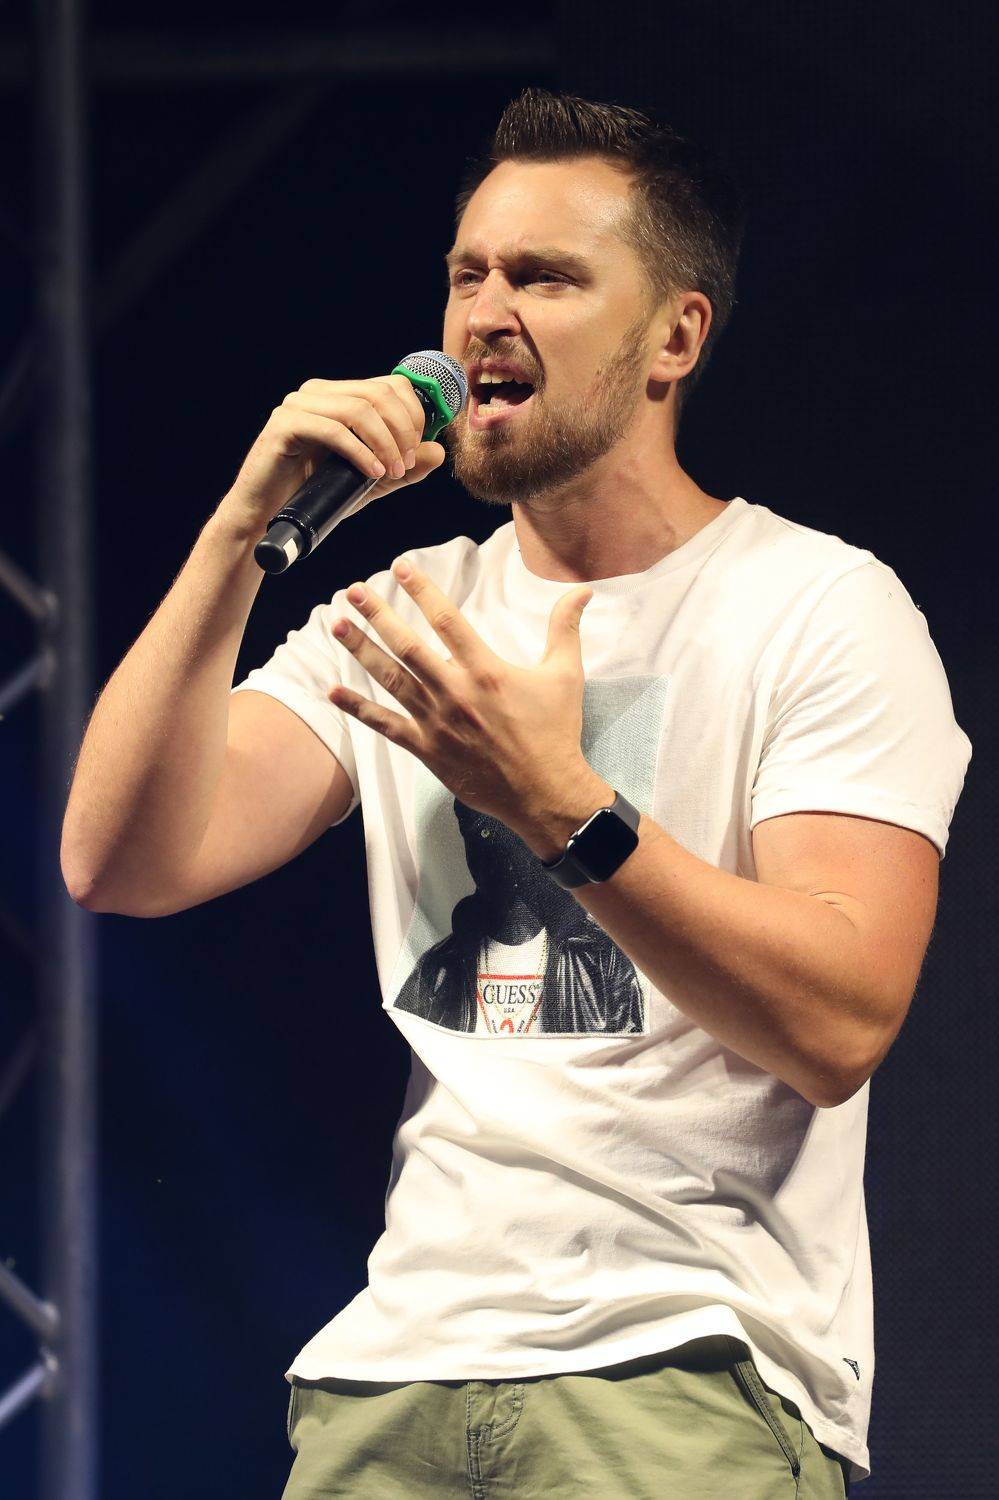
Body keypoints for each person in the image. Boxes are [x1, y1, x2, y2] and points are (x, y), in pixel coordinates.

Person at [61, 88, 972, 1497]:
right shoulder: (409, 607)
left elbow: (841, 1019)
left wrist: (562, 807)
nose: (483, 314)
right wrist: (241, 530)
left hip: (677, 1372)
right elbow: (121, 859)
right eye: (467, 273)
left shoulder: (816, 607)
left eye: (545, 277)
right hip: (389, 1381)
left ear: (675, 338)